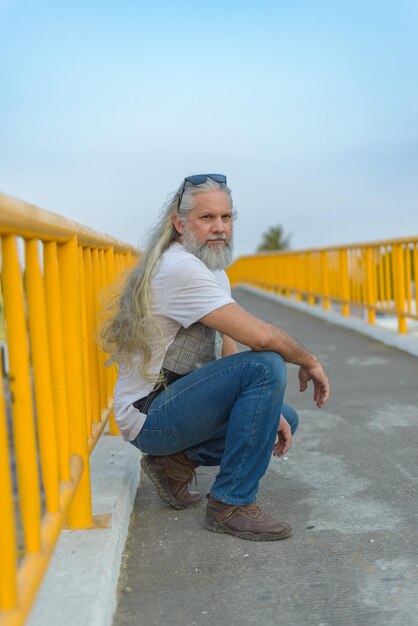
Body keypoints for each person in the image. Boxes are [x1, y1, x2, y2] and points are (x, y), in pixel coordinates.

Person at [102, 174, 330, 541]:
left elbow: (229, 347)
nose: (220, 228)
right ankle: (231, 504)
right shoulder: (181, 268)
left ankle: (175, 462)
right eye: (207, 218)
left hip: (167, 409)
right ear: (179, 223)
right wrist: (309, 361)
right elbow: (260, 337)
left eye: (226, 217)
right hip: (150, 417)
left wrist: (265, 405)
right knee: (268, 363)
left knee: (282, 416)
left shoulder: (211, 270)